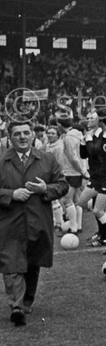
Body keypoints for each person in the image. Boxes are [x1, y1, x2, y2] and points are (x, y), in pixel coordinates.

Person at [0, 119, 69, 326]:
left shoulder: (47, 159)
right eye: (17, 133)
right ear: (10, 137)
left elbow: (63, 185)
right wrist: (11, 194)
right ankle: (16, 306)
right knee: (11, 262)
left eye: (25, 133)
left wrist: (45, 189)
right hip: (9, 222)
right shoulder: (2, 161)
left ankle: (26, 300)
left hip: (38, 220)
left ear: (33, 135)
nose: (22, 137)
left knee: (33, 261)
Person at [78, 107, 106, 253]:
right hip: (99, 177)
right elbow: (85, 154)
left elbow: (95, 150)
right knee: (84, 203)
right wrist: (84, 141)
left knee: (99, 210)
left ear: (100, 121)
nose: (89, 120)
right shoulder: (102, 134)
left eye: (92, 118)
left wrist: (88, 139)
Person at [56, 115, 86, 233]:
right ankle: (79, 225)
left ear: (60, 125)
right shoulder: (78, 135)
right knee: (76, 200)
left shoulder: (69, 137)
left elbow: (73, 157)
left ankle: (73, 227)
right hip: (77, 171)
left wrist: (81, 170)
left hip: (71, 172)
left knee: (67, 200)